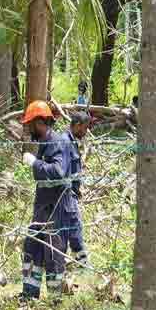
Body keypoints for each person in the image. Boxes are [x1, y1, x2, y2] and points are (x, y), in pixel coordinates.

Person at [19, 101, 74, 302]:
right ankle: (29, 295)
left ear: (40, 122)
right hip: (43, 208)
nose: (28, 129)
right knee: (32, 247)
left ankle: (55, 299)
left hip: (56, 209)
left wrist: (35, 163)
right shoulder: (45, 143)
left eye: (29, 124)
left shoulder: (57, 142)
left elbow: (58, 173)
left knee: (53, 253)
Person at [62, 112, 91, 268]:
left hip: (71, 193)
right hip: (66, 195)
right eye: (85, 128)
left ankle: (75, 263)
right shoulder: (65, 142)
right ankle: (82, 264)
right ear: (78, 125)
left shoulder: (71, 142)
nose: (86, 132)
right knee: (75, 227)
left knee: (70, 228)